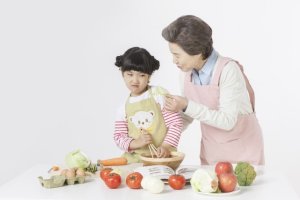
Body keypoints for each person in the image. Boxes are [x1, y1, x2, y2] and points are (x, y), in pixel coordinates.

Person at [161, 15, 264, 165]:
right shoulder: (185, 73)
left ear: (197, 50)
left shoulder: (228, 70)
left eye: (177, 55)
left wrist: (186, 105)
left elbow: (227, 121)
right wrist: (162, 133)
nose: (173, 61)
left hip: (244, 153)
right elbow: (188, 114)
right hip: (211, 152)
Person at [113, 47, 183, 163]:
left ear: (149, 76)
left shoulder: (159, 95)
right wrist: (136, 143)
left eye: (141, 75)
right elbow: (119, 136)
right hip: (135, 160)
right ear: (123, 74)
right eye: (130, 74)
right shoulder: (123, 108)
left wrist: (166, 146)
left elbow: (175, 123)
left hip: (161, 158)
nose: (135, 80)